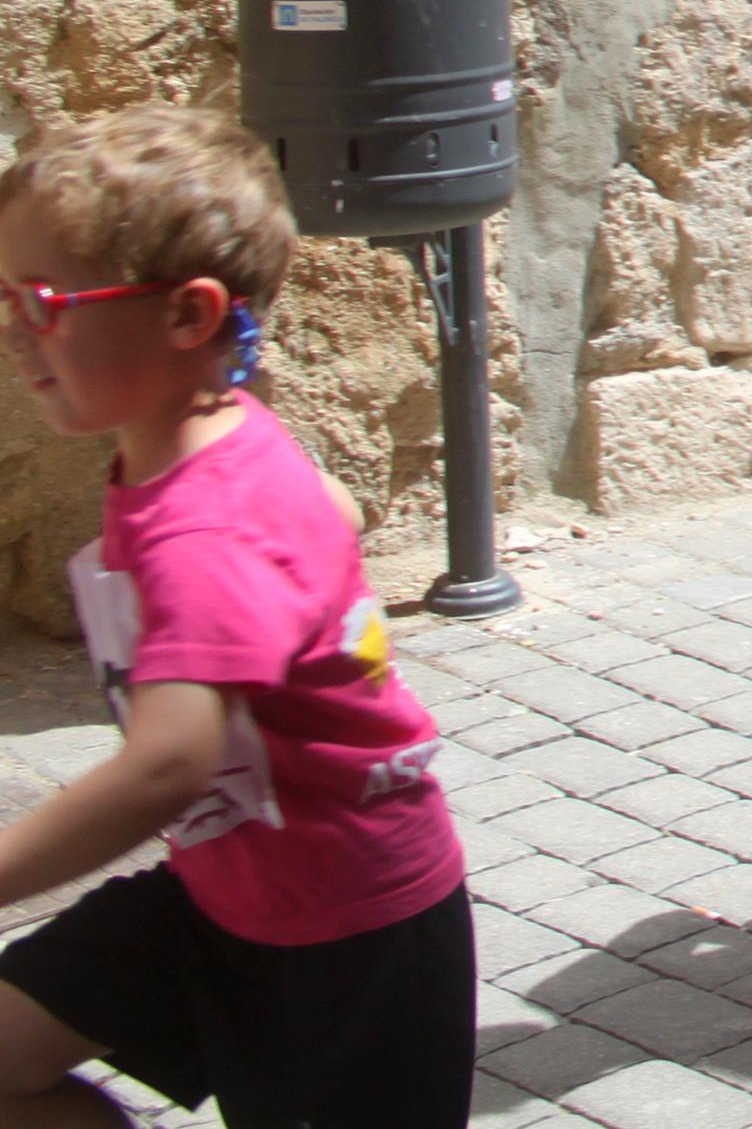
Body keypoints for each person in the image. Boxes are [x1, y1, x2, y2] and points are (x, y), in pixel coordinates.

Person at [0, 112, 473, 1128]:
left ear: (187, 315)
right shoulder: (211, 435)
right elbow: (336, 509)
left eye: (40, 301)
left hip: (349, 934)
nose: (10, 330)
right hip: (226, 888)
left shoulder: (202, 523)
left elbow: (168, 764)